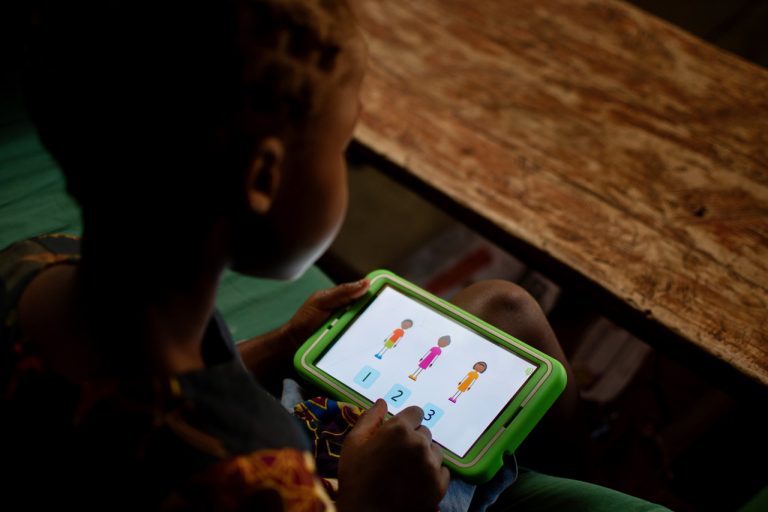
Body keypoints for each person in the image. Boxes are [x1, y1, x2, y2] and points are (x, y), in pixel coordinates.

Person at [1, 0, 669, 510]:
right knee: (512, 330)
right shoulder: (251, 473)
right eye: (343, 148)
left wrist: (282, 345)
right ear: (263, 178)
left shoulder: (35, 265)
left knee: (503, 307)